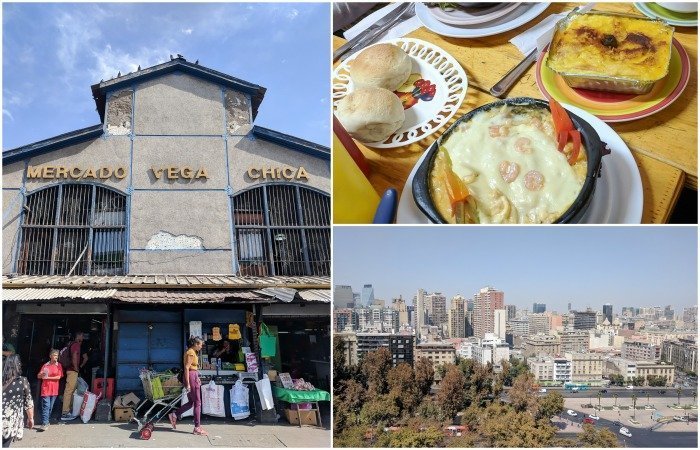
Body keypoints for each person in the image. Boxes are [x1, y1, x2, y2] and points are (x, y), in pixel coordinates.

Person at [169, 337, 207, 436]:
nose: (201, 346)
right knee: (197, 402)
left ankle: (175, 414)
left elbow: (192, 367)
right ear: (195, 344)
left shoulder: (192, 352)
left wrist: (196, 376)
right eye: (200, 344)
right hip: (191, 377)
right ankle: (197, 428)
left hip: (193, 376)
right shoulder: (191, 352)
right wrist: (188, 383)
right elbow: (187, 367)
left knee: (191, 403)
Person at [2, 355, 34, 447]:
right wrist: (30, 418)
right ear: (18, 365)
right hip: (8, 423)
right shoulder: (22, 381)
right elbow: (28, 402)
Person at [37, 349, 64, 429]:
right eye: (54, 355)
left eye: (57, 355)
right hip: (45, 388)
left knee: (50, 407)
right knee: (46, 406)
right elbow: (38, 376)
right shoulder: (45, 365)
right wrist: (41, 375)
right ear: (50, 356)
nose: (56, 357)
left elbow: (58, 377)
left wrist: (47, 377)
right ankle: (44, 423)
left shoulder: (59, 365)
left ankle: (46, 421)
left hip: (54, 389)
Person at [60, 331, 84, 421]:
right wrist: (76, 368)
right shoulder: (76, 345)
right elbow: (74, 356)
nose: (83, 337)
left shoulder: (71, 344)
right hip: (72, 370)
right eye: (82, 335)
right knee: (69, 391)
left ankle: (67, 411)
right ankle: (65, 413)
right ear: (78, 336)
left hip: (70, 370)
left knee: (71, 390)